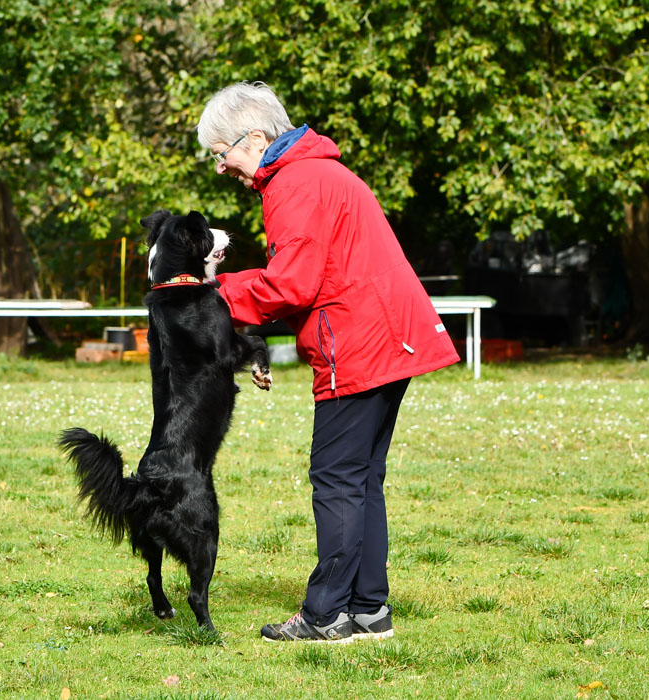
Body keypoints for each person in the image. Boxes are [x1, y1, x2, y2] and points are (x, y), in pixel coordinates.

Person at [197, 81, 460, 643]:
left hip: (360, 344)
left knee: (337, 479)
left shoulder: (295, 183)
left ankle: (326, 616)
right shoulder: (318, 173)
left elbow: (290, 285)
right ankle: (369, 610)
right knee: (362, 479)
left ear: (257, 137)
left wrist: (213, 294)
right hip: (388, 339)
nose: (221, 167)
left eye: (222, 153)